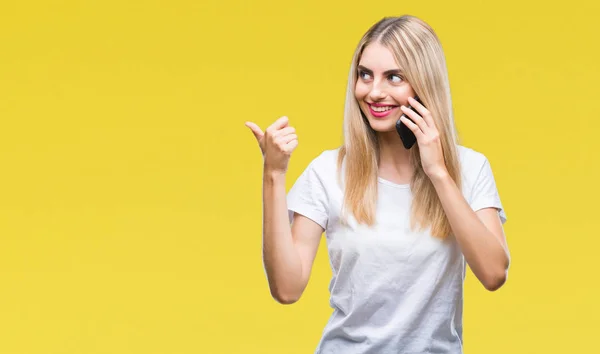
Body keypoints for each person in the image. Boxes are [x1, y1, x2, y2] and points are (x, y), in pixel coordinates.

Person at [245, 15, 510, 354]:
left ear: (424, 84)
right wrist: (274, 175)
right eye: (365, 75)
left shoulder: (470, 168)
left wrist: (439, 173)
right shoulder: (327, 172)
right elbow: (287, 288)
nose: (374, 91)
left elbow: (493, 274)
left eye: (394, 77)